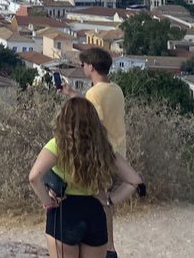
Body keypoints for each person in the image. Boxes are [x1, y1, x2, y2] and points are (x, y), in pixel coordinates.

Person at [28, 97, 142, 258]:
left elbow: (34, 177)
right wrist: (109, 200)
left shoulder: (58, 145)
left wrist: (48, 202)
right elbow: (134, 181)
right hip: (94, 212)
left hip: (64, 213)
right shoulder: (103, 148)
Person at [61, 47, 125, 257]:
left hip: (102, 155)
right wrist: (73, 94)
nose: (82, 67)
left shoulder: (94, 93)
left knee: (100, 202)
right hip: (118, 152)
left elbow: (91, 121)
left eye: (83, 64)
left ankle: (107, 248)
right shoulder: (115, 89)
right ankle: (108, 247)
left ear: (91, 66)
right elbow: (94, 107)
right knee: (104, 201)